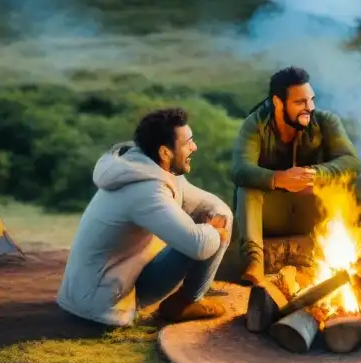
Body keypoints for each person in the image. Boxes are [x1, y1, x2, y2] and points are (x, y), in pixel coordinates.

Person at [57, 107, 234, 327]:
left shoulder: (147, 168)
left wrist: (218, 218)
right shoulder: (146, 191)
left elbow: (207, 205)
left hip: (109, 283)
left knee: (215, 223)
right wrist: (215, 231)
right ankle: (187, 301)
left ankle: (187, 300)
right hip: (102, 303)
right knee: (206, 238)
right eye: (188, 142)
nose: (194, 147)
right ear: (165, 153)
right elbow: (198, 246)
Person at [231, 65, 361, 285]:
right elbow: (239, 170)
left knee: (342, 183)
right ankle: (254, 260)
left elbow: (352, 162)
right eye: (300, 102)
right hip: (271, 215)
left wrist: (316, 174)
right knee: (248, 188)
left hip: (310, 211)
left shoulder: (326, 121)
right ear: (277, 102)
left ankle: (338, 256)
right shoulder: (255, 124)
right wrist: (278, 179)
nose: (309, 107)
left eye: (311, 100)